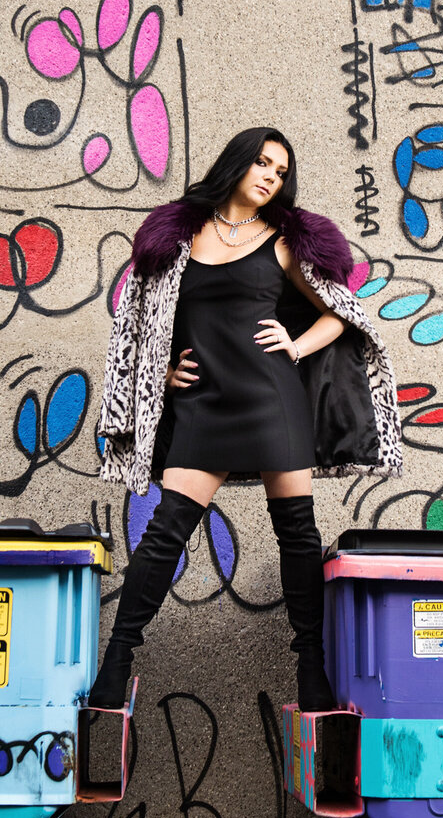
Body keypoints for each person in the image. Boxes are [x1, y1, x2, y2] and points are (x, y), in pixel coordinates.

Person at [92, 126, 402, 711]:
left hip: (271, 400)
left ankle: (312, 669)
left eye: (281, 172)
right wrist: (156, 377)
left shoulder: (285, 241)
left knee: (297, 533)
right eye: (262, 163)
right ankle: (117, 662)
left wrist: (297, 346)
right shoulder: (175, 237)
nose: (270, 177)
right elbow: (136, 326)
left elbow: (342, 313)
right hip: (204, 404)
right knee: (165, 533)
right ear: (236, 162)